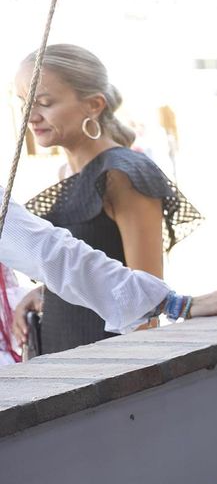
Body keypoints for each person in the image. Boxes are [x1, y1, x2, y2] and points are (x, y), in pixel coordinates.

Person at [12, 44, 203, 354]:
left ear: (94, 105)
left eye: (44, 103)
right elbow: (83, 271)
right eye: (23, 103)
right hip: (62, 358)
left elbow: (147, 301)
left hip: (107, 365)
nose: (30, 117)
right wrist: (45, 293)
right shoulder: (65, 171)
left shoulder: (121, 175)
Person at [0, 198, 217, 345]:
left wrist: (174, 304)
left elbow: (48, 252)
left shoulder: (123, 177)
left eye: (46, 103)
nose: (34, 115)